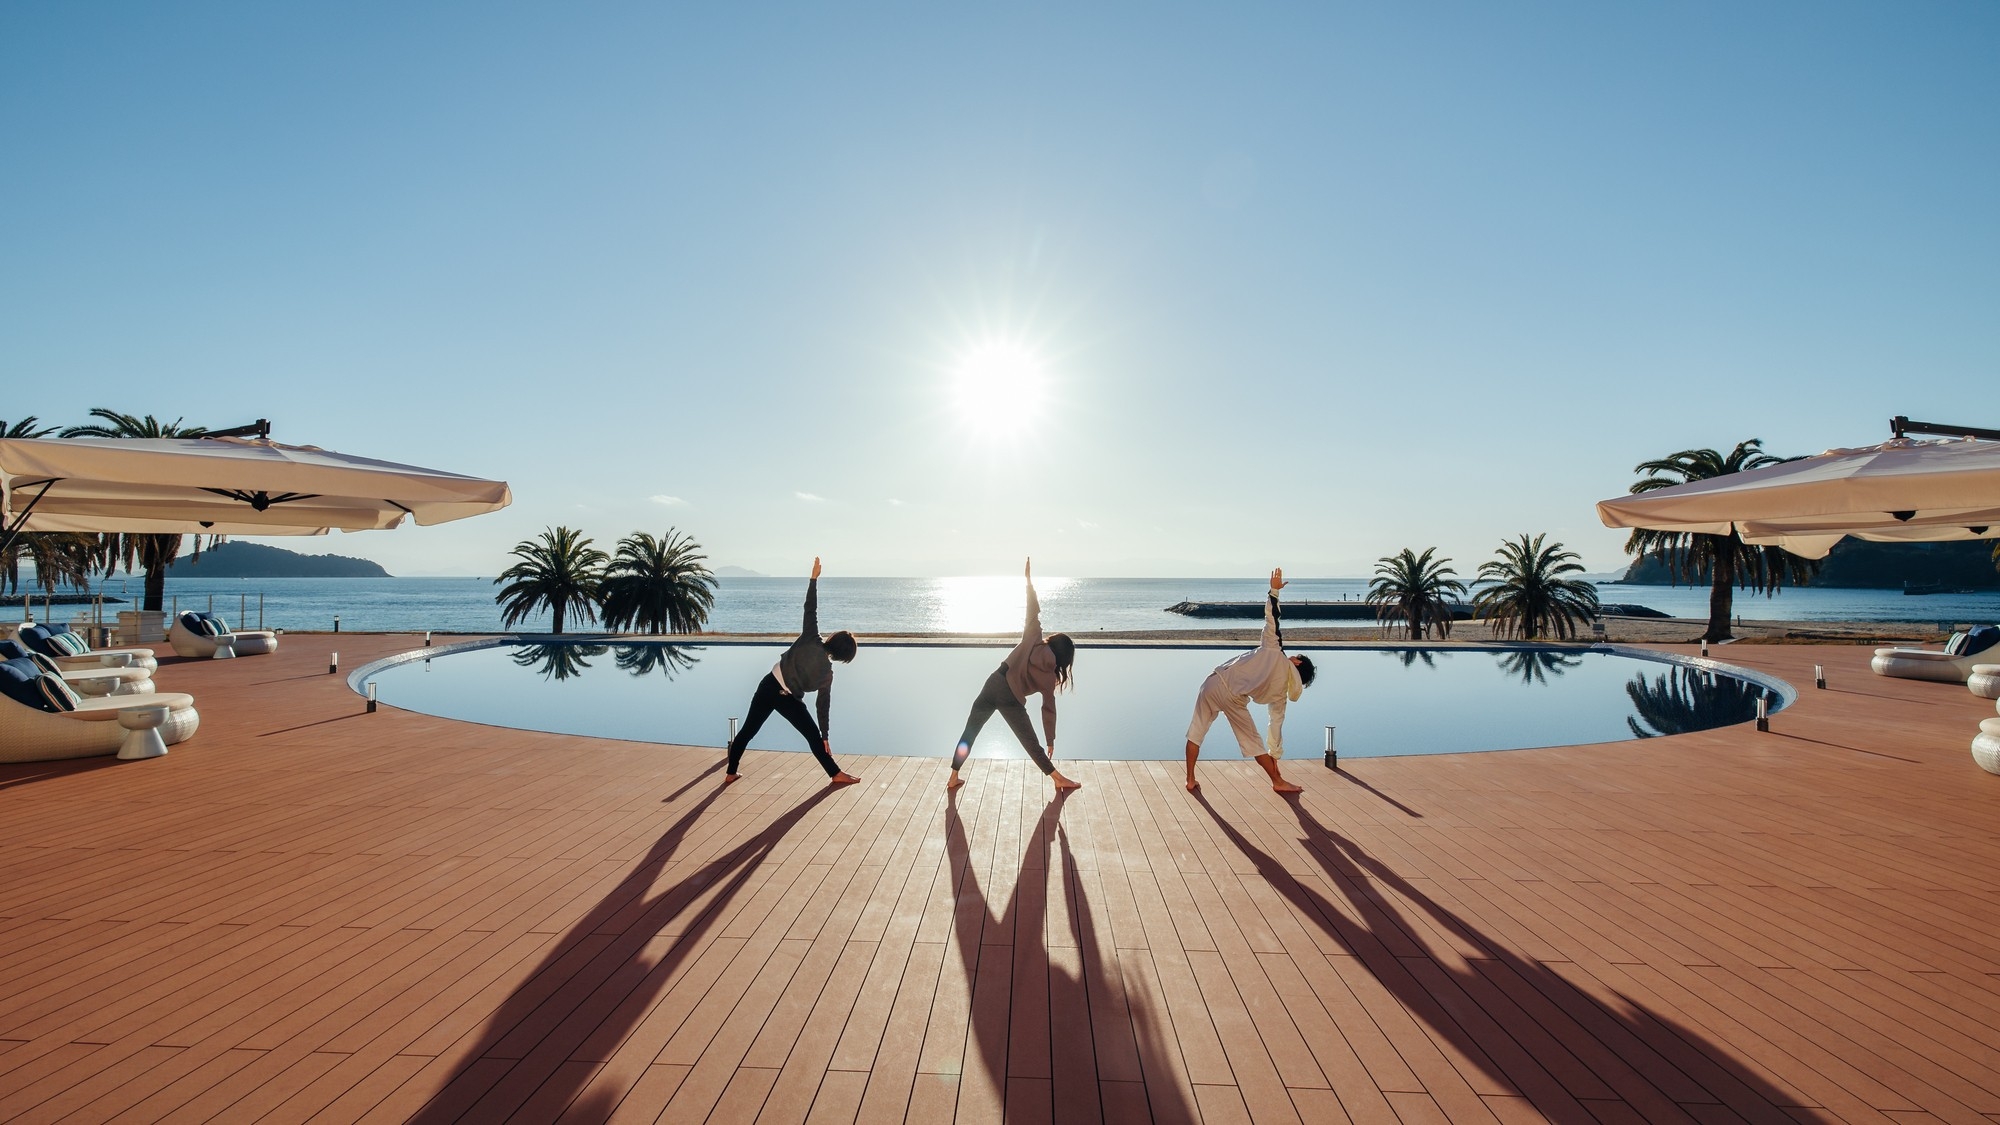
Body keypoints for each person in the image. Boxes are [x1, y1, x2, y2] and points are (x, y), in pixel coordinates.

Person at [946, 557, 1082, 792]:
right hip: (1011, 697)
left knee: (970, 732)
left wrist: (1028, 582)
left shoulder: (1034, 637)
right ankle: (1058, 778)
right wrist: (1050, 740)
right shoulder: (1049, 677)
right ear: (1064, 658)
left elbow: (1032, 610)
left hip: (994, 681)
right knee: (1030, 742)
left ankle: (953, 776)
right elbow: (1048, 708)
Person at [725, 557, 861, 787]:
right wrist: (824, 736)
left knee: (748, 730)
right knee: (812, 735)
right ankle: (835, 774)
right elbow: (822, 706)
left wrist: (813, 579)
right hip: (785, 697)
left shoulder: (811, 637)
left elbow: (810, 608)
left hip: (769, 685)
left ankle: (731, 772)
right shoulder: (827, 674)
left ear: (833, 638)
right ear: (842, 656)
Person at [1184, 567, 1316, 793]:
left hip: (1215, 681)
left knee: (1196, 732)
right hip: (1234, 698)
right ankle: (1277, 781)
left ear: (1296, 662)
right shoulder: (1281, 695)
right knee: (1253, 743)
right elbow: (1275, 724)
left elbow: (1272, 618)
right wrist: (1275, 755)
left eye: (1295, 656)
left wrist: (1274, 591)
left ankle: (1189, 779)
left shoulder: (1274, 649)